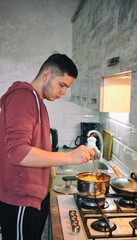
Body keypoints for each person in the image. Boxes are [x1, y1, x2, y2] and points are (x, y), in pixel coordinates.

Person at [0, 53, 94, 240]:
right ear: (46, 75)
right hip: (20, 200)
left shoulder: (36, 100)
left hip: (31, 197)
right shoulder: (23, 98)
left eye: (67, 87)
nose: (64, 92)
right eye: (62, 84)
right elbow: (17, 153)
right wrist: (69, 157)